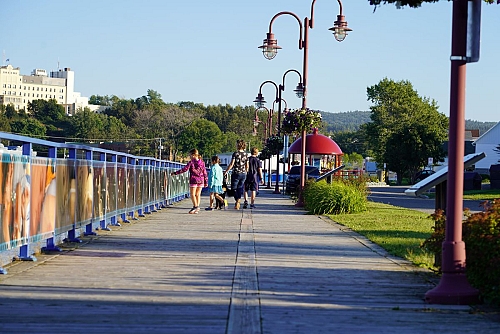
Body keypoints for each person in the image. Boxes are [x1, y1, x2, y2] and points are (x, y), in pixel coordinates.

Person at [170, 149, 208, 214]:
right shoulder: (202, 163)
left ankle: (195, 206)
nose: (189, 156)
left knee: (192, 194)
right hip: (201, 180)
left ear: (193, 155)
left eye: (190, 155)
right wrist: (206, 181)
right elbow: (204, 172)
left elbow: (184, 169)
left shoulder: (191, 162)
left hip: (194, 180)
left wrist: (175, 173)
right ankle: (197, 208)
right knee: (198, 195)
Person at [224, 140, 248, 210]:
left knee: (234, 189)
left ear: (238, 145)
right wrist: (246, 172)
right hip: (243, 174)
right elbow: (247, 165)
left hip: (236, 173)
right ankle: (238, 200)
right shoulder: (246, 154)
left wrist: (226, 171)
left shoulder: (235, 154)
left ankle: (237, 200)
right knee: (240, 188)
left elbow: (231, 164)